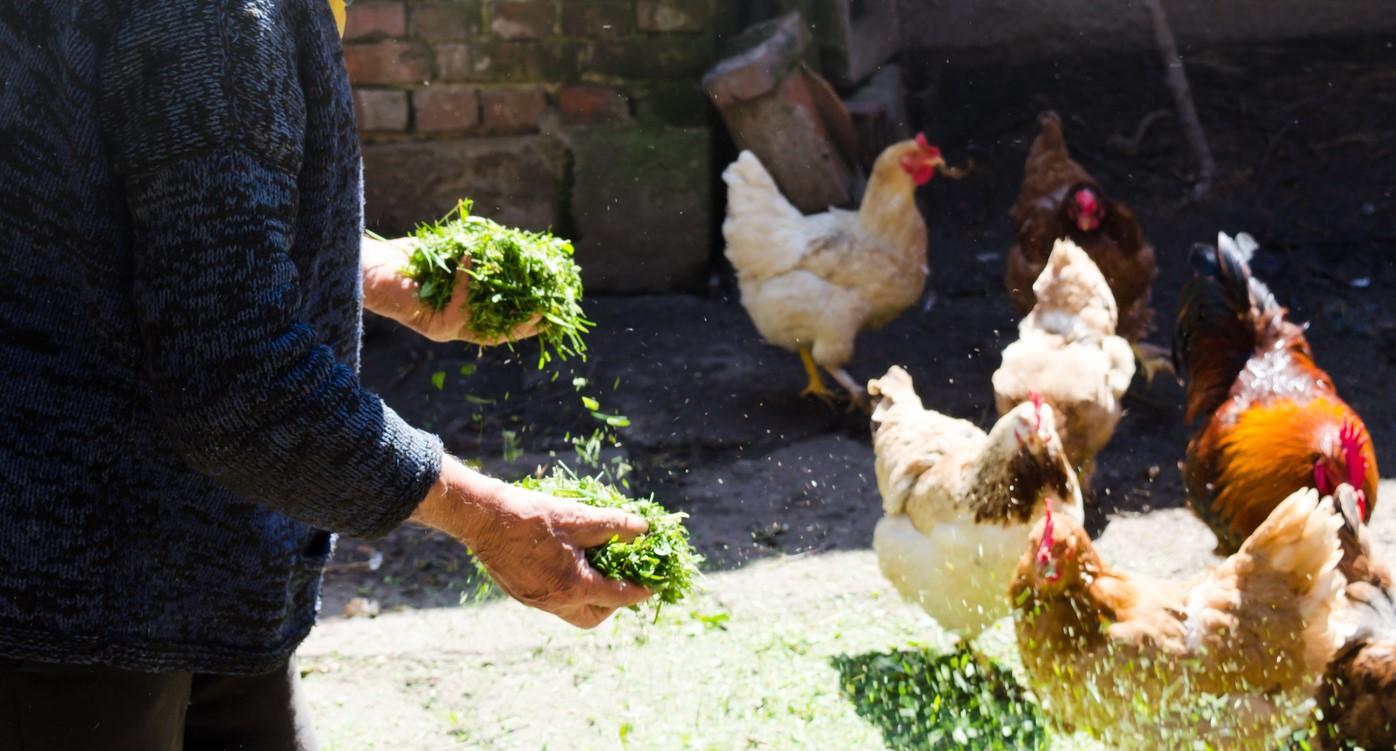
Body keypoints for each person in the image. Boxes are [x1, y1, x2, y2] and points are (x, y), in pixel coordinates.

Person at [0, 2, 650, 749]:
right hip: (79, 597)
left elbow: (105, 203)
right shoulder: (221, 18)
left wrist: (356, 266)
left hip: (209, 572)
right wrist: (487, 518)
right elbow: (239, 382)